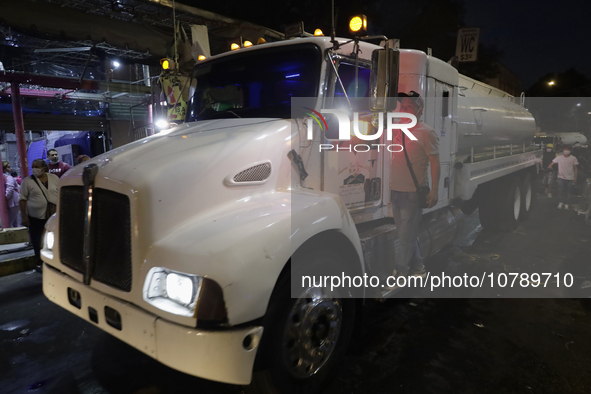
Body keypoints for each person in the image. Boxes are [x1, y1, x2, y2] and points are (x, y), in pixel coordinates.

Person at [390, 91, 440, 281]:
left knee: (405, 237)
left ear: (419, 111)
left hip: (412, 193)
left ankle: (400, 272)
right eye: (403, 106)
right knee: (405, 234)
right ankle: (418, 267)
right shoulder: (397, 127)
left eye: (409, 107)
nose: (404, 110)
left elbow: (435, 163)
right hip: (396, 191)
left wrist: (434, 190)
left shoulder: (427, 132)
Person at [19, 159, 59, 272]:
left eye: (37, 166)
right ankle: (40, 262)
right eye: (33, 166)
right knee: (38, 241)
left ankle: (55, 261)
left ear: (44, 168)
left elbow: (60, 193)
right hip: (36, 218)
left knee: (54, 239)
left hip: (53, 216)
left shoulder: (54, 178)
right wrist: (24, 217)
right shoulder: (27, 181)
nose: (34, 169)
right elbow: (22, 199)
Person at [548, 145, 578, 210]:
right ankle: (561, 202)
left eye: (567, 150)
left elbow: (575, 168)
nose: (566, 151)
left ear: (570, 151)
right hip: (561, 177)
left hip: (570, 178)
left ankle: (567, 203)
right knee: (560, 190)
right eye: (565, 149)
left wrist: (575, 177)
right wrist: (550, 165)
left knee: (568, 192)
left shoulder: (573, 158)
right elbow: (553, 162)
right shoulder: (559, 157)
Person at [3, 161, 20, 227]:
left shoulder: (7, 177)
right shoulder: (8, 177)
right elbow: (10, 189)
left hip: (12, 201)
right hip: (12, 201)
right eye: (8, 167)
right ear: (4, 169)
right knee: (11, 222)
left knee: (12, 221)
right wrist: (4, 199)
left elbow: (10, 189)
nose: (11, 168)